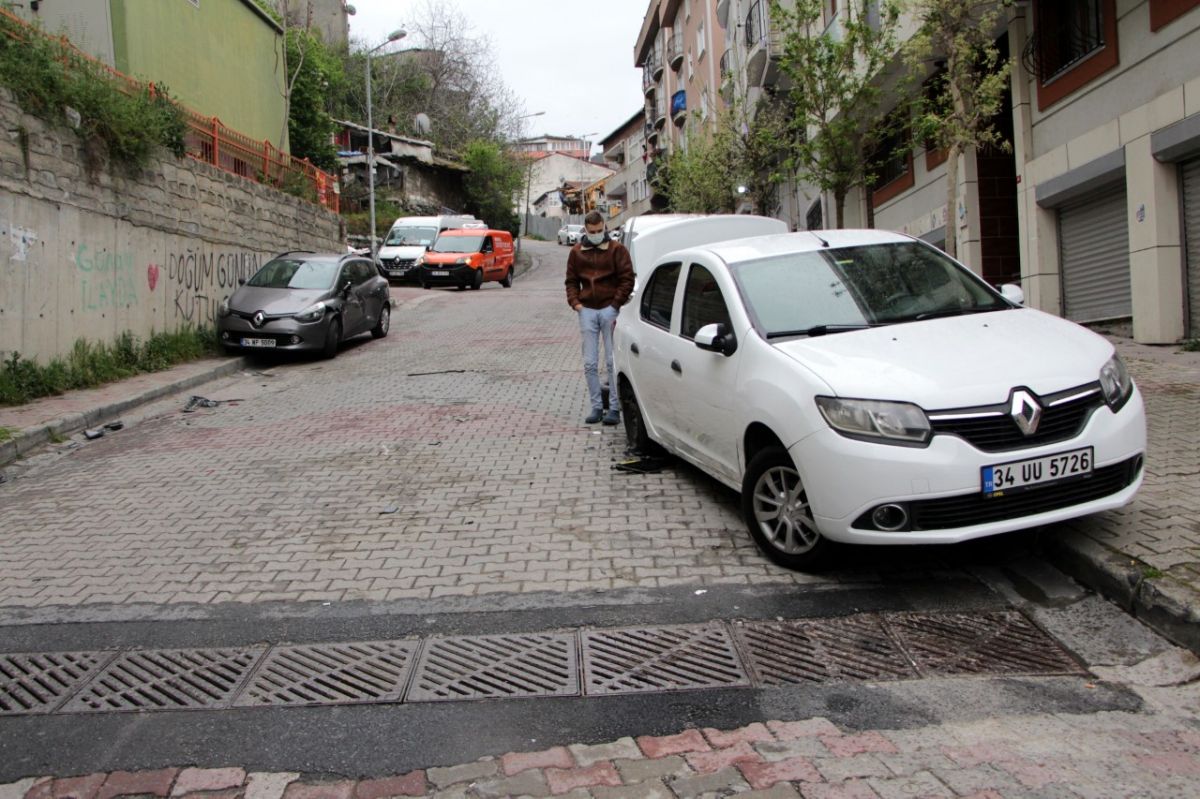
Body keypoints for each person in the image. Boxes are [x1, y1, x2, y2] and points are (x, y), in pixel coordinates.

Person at [565, 210, 634, 425]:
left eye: (599, 230)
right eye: (591, 231)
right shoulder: (577, 252)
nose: (596, 234)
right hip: (587, 309)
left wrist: (615, 304)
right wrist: (576, 303)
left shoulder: (617, 250)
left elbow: (627, 279)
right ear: (585, 229)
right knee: (590, 363)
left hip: (609, 309)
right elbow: (571, 281)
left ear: (604, 226)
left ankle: (614, 407)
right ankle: (596, 406)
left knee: (613, 361)